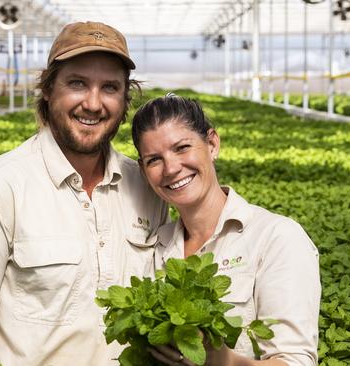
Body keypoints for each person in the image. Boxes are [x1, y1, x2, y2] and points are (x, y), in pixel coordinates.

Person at [0, 22, 168, 366]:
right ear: (49, 89)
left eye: (109, 87)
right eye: (77, 83)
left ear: (125, 98)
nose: (93, 104)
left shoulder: (146, 187)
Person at [131, 94, 321, 366]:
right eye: (154, 160)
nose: (171, 168)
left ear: (212, 144)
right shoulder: (152, 248)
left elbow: (295, 361)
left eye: (182, 147)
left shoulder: (276, 238)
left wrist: (228, 362)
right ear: (143, 170)